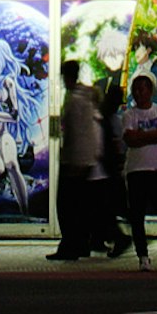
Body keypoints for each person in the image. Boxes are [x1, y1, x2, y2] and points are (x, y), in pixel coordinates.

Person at [115, 65, 157, 265]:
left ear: (150, 91)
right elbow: (130, 139)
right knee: (137, 216)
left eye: (142, 89)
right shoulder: (129, 114)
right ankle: (143, 256)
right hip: (135, 170)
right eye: (135, 90)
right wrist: (153, 135)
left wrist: (142, 135)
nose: (138, 93)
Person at [50, 60, 112, 260]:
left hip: (75, 160)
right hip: (82, 160)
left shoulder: (76, 99)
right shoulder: (84, 97)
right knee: (78, 206)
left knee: (68, 208)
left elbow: (77, 134)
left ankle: (71, 246)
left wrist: (74, 160)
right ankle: (79, 244)